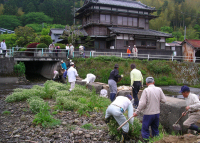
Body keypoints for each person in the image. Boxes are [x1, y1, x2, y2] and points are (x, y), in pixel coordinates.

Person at [133, 77, 166, 141]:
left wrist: (137, 112)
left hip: (148, 113)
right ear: (153, 82)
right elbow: (164, 100)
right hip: (156, 113)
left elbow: (142, 103)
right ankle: (157, 141)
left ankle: (146, 141)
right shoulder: (159, 89)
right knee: (155, 129)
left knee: (145, 129)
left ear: (146, 83)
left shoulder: (146, 90)